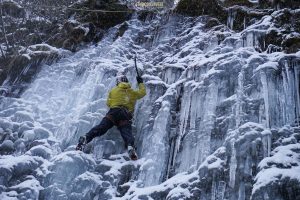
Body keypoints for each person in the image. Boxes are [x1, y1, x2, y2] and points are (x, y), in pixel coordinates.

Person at [76, 74, 146, 160]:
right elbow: (143, 93)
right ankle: (130, 146)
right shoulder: (132, 92)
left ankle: (86, 138)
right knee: (126, 132)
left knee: (101, 128)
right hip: (125, 114)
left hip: (113, 112)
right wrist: (140, 82)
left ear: (118, 82)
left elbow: (108, 103)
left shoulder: (113, 90)